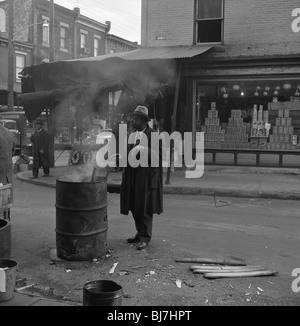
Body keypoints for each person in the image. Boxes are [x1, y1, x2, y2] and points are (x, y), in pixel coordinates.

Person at [120, 105, 163, 250]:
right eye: (133, 118)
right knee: (133, 205)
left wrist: (145, 149)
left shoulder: (154, 135)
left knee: (145, 207)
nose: (133, 121)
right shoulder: (132, 134)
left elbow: (160, 156)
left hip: (146, 176)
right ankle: (139, 232)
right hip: (132, 175)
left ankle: (145, 236)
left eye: (136, 119)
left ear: (143, 121)